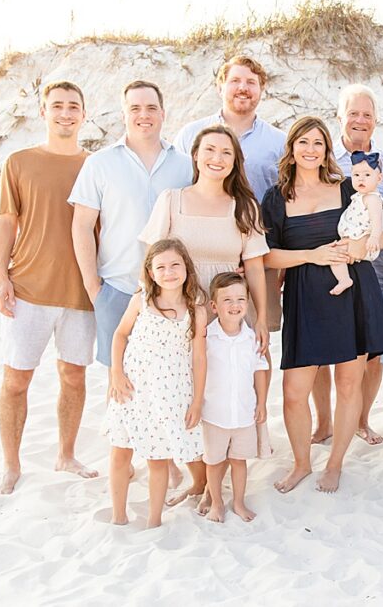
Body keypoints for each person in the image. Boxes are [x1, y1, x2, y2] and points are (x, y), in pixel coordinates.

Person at [261, 116, 383, 494]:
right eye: (303, 142)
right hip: (305, 296)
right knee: (293, 390)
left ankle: (335, 463)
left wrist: (366, 247)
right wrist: (312, 255)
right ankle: (301, 463)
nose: (310, 149)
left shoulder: (346, 189)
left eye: (317, 143)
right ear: (292, 148)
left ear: (326, 150)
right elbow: (266, 256)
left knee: (349, 382)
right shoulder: (277, 197)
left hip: (353, 293)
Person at [139, 123, 270, 505]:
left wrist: (260, 317)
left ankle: (217, 479)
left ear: (235, 161)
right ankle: (199, 478)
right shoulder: (172, 199)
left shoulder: (244, 207)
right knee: (186, 391)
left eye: (226, 153)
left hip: (229, 310)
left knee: (226, 390)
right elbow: (150, 260)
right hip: (180, 310)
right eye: (210, 150)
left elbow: (257, 268)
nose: (217, 158)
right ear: (195, 155)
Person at [0, 81, 97, 494]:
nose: (65, 113)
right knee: (16, 380)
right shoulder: (19, 162)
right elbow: (6, 220)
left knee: (73, 376)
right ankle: (11, 465)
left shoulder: (96, 166)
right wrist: (0, 275)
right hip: (28, 290)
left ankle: (66, 454)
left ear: (84, 114)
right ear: (43, 112)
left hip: (80, 294)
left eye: (74, 106)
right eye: (57, 106)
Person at [70, 80, 193, 370]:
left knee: (171, 378)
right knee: (120, 382)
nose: (144, 115)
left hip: (173, 290)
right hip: (117, 289)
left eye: (151, 108)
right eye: (135, 108)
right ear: (124, 113)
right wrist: (93, 287)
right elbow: (82, 226)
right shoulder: (99, 164)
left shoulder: (186, 165)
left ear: (163, 113)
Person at [174, 54, 286, 336]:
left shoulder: (278, 142)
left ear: (262, 89)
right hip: (201, 258)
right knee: (200, 337)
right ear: (220, 87)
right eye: (235, 80)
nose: (243, 88)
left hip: (259, 259)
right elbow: (179, 192)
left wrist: (279, 260)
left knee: (257, 336)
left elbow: (287, 201)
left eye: (251, 82)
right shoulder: (190, 135)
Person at [313, 84, 383, 446]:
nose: (359, 120)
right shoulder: (323, 159)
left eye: (367, 114)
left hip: (375, 269)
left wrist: (370, 244)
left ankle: (362, 419)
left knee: (371, 353)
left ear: (376, 121)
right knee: (323, 352)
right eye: (353, 113)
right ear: (339, 118)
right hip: (328, 266)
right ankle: (324, 422)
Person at [104, 239, 207, 529]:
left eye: (175, 264)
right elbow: (120, 335)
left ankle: (153, 520)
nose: (169, 272)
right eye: (160, 266)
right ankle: (118, 515)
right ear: (150, 272)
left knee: (157, 457)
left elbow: (199, 358)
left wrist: (197, 400)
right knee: (120, 451)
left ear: (186, 267)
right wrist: (116, 373)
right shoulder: (141, 301)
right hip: (132, 389)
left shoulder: (195, 310)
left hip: (169, 393)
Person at [199, 272, 269, 524]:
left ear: (247, 303)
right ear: (214, 306)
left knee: (239, 461)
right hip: (214, 415)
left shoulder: (251, 337)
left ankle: (238, 502)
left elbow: (260, 369)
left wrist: (261, 402)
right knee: (215, 463)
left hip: (244, 414)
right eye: (227, 300)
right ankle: (216, 503)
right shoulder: (207, 338)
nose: (235, 305)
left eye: (240, 298)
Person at [331, 151, 383, 295]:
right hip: (356, 240)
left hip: (367, 243)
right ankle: (344, 278)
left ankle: (344, 280)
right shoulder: (359, 197)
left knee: (334, 255)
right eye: (356, 175)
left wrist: (374, 238)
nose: (361, 179)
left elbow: (377, 221)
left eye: (367, 175)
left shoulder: (373, 199)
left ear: (379, 178)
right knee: (335, 254)